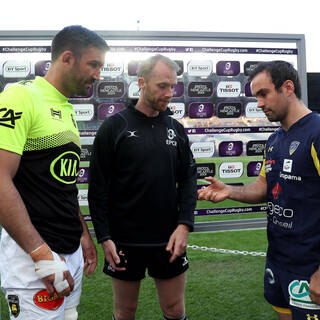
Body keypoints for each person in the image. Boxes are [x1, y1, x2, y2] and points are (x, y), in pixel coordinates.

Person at [0, 25, 109, 320]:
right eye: (94, 64)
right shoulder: (21, 98)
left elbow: (62, 184)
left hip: (69, 248)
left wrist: (83, 235)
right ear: (68, 58)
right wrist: (41, 255)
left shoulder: (67, 108)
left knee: (70, 316)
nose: (98, 75)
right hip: (32, 256)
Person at [198, 60, 320, 320]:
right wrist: (229, 190)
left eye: (264, 94)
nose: (260, 103)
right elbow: (262, 187)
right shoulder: (275, 140)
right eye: (256, 96)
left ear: (288, 88)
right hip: (279, 260)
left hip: (312, 268)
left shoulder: (317, 133)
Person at [88, 54, 197, 320]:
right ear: (142, 83)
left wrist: (184, 225)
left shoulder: (175, 128)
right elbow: (98, 187)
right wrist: (104, 237)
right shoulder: (115, 127)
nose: (169, 93)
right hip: (125, 240)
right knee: (125, 311)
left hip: (168, 239)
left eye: (173, 86)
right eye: (162, 86)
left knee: (174, 309)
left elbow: (189, 179)